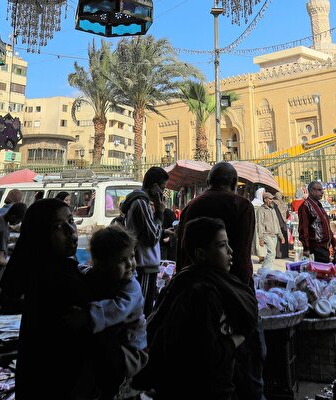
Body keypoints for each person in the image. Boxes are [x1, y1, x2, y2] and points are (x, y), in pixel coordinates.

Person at [137, 217, 259, 400]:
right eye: (221, 245)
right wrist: (238, 337)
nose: (230, 251)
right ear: (201, 254)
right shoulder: (202, 293)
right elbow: (207, 355)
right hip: (202, 389)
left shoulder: (189, 280)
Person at [1, 199, 91, 397]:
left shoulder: (48, 269)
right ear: (41, 235)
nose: (71, 231)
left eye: (71, 221)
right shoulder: (56, 278)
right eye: (58, 227)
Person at [79, 226, 148, 400]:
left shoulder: (132, 287)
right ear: (101, 263)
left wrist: (87, 316)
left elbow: (116, 308)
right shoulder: (98, 276)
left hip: (132, 349)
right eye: (121, 260)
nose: (130, 264)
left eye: (131, 257)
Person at [177, 162, 256, 286]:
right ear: (234, 182)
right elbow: (242, 255)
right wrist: (245, 292)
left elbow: (182, 253)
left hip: (194, 284)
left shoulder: (190, 207)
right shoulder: (242, 206)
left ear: (208, 182)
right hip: (230, 286)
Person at [120, 166, 168, 312]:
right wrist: (160, 214)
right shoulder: (141, 203)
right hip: (144, 265)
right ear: (154, 187)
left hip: (146, 264)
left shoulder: (143, 202)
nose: (162, 193)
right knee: (143, 310)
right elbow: (152, 237)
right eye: (162, 189)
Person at [297, 181, 335, 263]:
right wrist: (306, 247)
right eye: (319, 190)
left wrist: (334, 244)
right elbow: (304, 228)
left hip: (324, 248)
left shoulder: (319, 205)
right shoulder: (305, 206)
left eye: (322, 190)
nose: (322, 192)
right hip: (316, 249)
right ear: (311, 191)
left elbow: (326, 227)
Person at [254, 190, 284, 271]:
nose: (272, 200)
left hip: (274, 235)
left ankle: (265, 269)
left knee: (271, 255)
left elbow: (277, 223)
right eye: (270, 199)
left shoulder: (273, 209)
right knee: (272, 253)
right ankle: (265, 270)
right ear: (265, 199)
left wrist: (281, 236)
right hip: (266, 234)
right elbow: (259, 225)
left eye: (272, 199)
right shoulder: (261, 210)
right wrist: (261, 238)